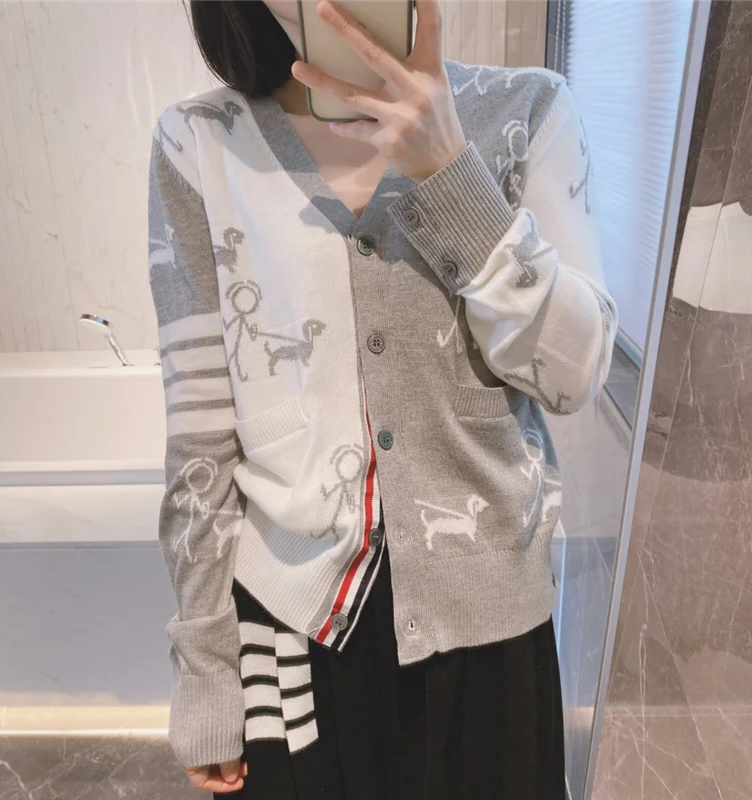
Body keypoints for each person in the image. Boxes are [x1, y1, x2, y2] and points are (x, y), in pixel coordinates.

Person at [147, 0, 617, 797]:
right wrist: (205, 668)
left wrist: (451, 170)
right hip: (291, 626)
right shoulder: (200, 143)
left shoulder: (530, 110)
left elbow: (574, 375)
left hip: (489, 632)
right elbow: (200, 435)